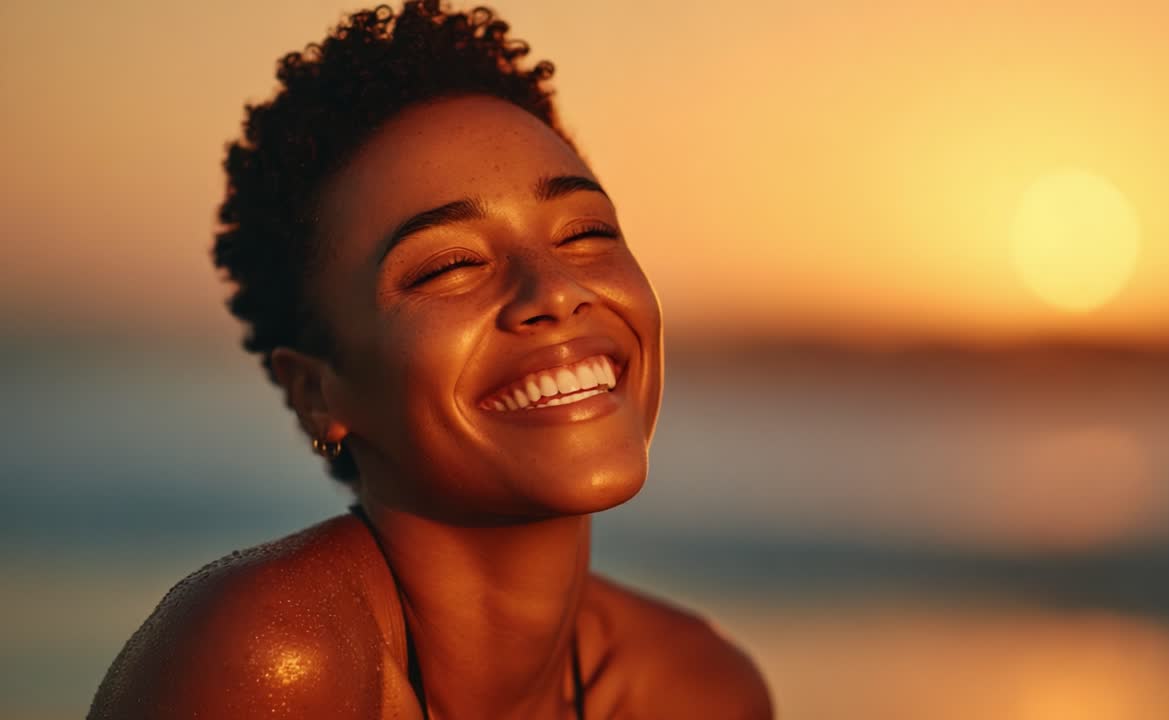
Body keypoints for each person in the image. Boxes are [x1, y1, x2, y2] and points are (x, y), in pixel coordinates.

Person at [87, 2, 772, 718]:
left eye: (585, 232)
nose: (556, 291)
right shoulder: (271, 661)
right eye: (448, 265)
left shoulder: (698, 689)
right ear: (319, 392)